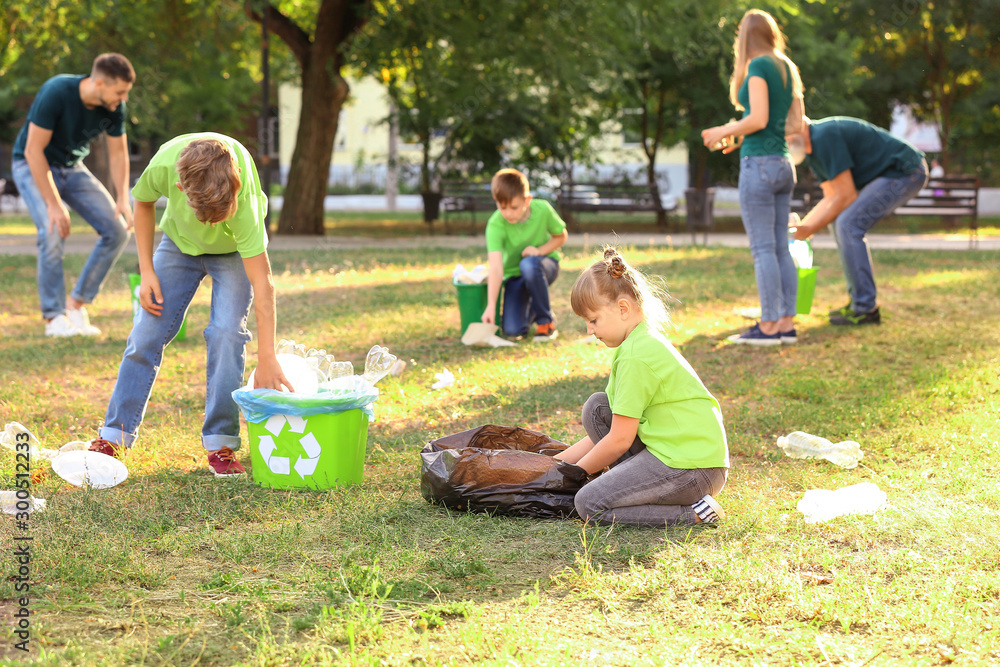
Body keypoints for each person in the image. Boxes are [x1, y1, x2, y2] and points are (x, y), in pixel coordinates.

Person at [89, 133, 292, 477]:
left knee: (227, 333)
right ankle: (114, 435)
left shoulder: (245, 206)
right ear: (181, 189)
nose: (212, 222)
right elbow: (142, 202)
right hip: (178, 246)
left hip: (232, 253)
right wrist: (147, 270)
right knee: (146, 333)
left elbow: (263, 284)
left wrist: (267, 356)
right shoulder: (165, 164)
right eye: (207, 215)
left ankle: (220, 443)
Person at [553, 248, 730, 527]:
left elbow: (620, 440)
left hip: (692, 469)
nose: (589, 330)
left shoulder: (637, 355)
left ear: (622, 309)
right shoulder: (636, 343)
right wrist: (556, 465)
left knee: (588, 504)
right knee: (598, 408)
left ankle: (695, 513)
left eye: (593, 320)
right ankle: (630, 487)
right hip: (673, 454)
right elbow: (610, 429)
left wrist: (566, 477)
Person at [12, 53, 136, 337]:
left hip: (71, 166)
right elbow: (33, 151)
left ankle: (75, 306)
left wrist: (121, 198)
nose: (123, 98)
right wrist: (54, 204)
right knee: (53, 229)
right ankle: (54, 318)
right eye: (119, 91)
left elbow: (118, 153)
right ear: (100, 83)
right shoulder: (57, 92)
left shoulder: (115, 107)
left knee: (117, 230)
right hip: (31, 163)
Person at [701, 9, 804, 346]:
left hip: (759, 166)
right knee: (780, 249)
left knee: (763, 250)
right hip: (782, 163)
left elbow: (757, 118)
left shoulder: (758, 66)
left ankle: (770, 326)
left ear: (745, 37)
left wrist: (725, 129)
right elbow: (792, 124)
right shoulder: (785, 66)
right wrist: (742, 135)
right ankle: (786, 323)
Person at [787, 116, 928, 325]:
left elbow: (846, 196)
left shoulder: (824, 137)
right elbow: (830, 197)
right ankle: (859, 303)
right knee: (840, 223)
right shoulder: (814, 152)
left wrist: (809, 229)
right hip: (891, 174)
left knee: (848, 224)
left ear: (800, 126)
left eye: (786, 135)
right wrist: (804, 226)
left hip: (905, 171)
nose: (785, 142)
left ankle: (865, 308)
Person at [483, 168, 568, 342]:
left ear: (527, 200)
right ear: (496, 201)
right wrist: (491, 305)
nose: (507, 213)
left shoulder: (542, 209)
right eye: (502, 207)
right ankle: (531, 308)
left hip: (544, 265)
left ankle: (546, 322)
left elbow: (561, 236)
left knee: (528, 264)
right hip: (516, 276)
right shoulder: (495, 224)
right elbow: (496, 268)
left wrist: (539, 251)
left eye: (514, 207)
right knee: (512, 330)